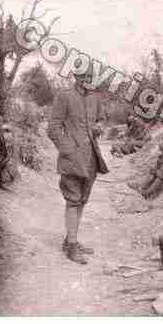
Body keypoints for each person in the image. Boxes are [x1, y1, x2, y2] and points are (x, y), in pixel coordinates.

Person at [47, 69, 109, 265]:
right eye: (84, 77)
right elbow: (53, 128)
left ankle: (70, 239)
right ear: (76, 77)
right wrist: (69, 150)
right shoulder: (64, 96)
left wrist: (99, 127)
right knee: (73, 200)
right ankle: (72, 246)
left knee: (82, 200)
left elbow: (101, 119)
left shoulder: (95, 98)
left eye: (90, 77)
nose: (87, 81)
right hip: (72, 160)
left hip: (91, 158)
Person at [129, 116, 163, 200]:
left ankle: (148, 193)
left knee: (162, 172)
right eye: (161, 122)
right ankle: (142, 186)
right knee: (154, 169)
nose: (162, 124)